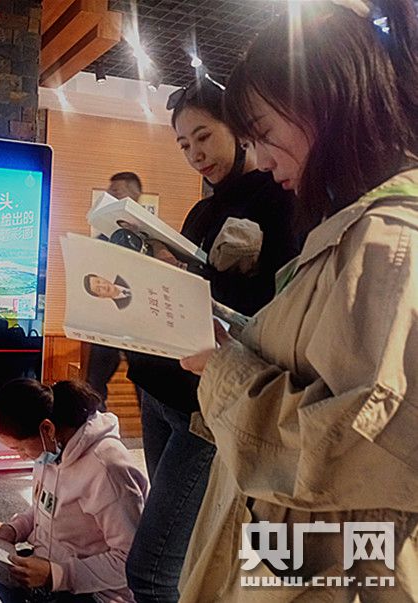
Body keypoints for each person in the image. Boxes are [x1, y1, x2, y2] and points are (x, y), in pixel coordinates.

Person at [177, 1, 418, 600]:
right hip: (299, 555)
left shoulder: (389, 241)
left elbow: (351, 448)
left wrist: (223, 368)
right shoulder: (357, 229)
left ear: (328, 103)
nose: (260, 159)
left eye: (264, 134)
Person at [124, 73, 301, 602]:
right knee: (182, 554)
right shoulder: (203, 209)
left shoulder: (278, 199)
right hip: (159, 388)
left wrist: (205, 281)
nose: (195, 154)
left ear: (238, 129)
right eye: (184, 145)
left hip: (207, 403)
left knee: (151, 570)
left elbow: (271, 308)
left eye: (203, 136)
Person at [0, 379, 148, 603]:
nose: (21, 456)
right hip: (50, 573)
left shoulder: (107, 468)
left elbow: (131, 561)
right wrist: (14, 529)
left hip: (95, 592)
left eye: (20, 448)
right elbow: (45, 506)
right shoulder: (51, 450)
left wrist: (57, 575)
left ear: (47, 429)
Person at [85, 173, 144, 403]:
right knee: (94, 383)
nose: (110, 196)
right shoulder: (104, 236)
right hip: (107, 320)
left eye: (116, 191)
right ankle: (95, 423)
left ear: (134, 195)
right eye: (109, 192)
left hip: (138, 321)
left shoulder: (148, 235)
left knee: (145, 383)